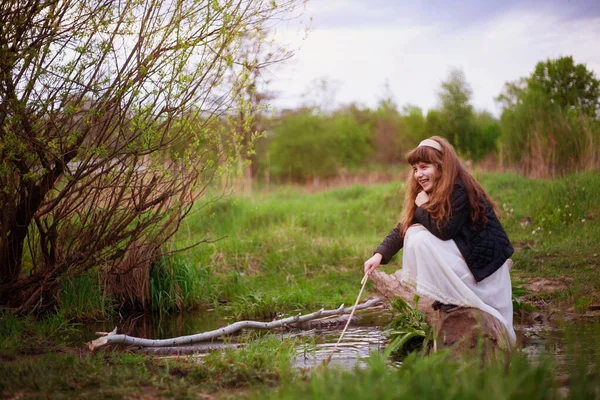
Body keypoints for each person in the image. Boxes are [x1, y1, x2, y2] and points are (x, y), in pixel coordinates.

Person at [364, 136, 516, 345]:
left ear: (441, 166)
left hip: (484, 271)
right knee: (414, 234)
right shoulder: (428, 191)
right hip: (467, 260)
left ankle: (455, 295)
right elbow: (405, 225)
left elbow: (444, 231)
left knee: (420, 238)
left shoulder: (459, 188)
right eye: (415, 169)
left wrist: (423, 207)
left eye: (424, 167)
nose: (418, 174)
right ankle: (448, 296)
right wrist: (378, 255)